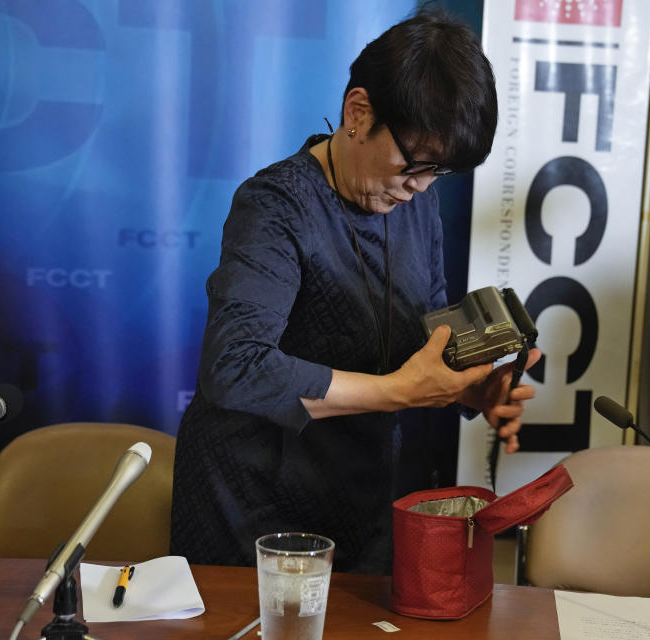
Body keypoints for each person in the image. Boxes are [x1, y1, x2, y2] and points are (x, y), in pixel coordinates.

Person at [170, 8, 542, 574]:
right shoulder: (276, 205)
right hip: (251, 506)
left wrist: (466, 389)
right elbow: (235, 367)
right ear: (358, 112)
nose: (418, 189)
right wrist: (398, 391)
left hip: (362, 499)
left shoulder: (414, 202)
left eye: (437, 174)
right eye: (415, 164)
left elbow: (417, 344)